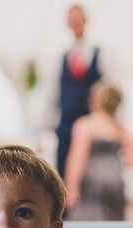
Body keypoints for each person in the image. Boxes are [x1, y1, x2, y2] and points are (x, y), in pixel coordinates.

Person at [65, 83, 133, 220]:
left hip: (92, 184)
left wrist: (72, 189)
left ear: (95, 101)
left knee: (87, 227)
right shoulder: (120, 129)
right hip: (115, 182)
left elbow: (77, 158)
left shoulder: (85, 125)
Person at [53, 5, 105, 178]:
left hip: (90, 123)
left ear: (85, 20)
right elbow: (53, 93)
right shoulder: (63, 56)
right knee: (63, 173)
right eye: (72, 19)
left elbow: (107, 89)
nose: (75, 23)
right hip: (66, 123)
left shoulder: (99, 53)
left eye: (78, 18)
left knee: (87, 173)